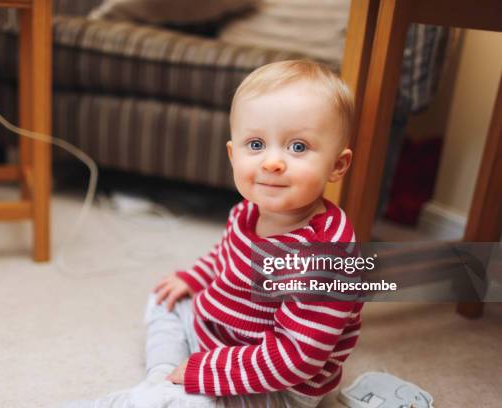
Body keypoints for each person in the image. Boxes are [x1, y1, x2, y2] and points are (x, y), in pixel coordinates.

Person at [64, 59, 362, 408]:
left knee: (193, 402)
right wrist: (193, 278)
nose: (272, 162)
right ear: (233, 155)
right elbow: (225, 257)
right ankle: (161, 380)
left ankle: (162, 394)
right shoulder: (248, 211)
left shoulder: (326, 256)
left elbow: (296, 359)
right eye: (255, 145)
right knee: (166, 300)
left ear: (337, 166)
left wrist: (205, 370)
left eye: (297, 147)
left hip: (275, 385)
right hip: (220, 334)